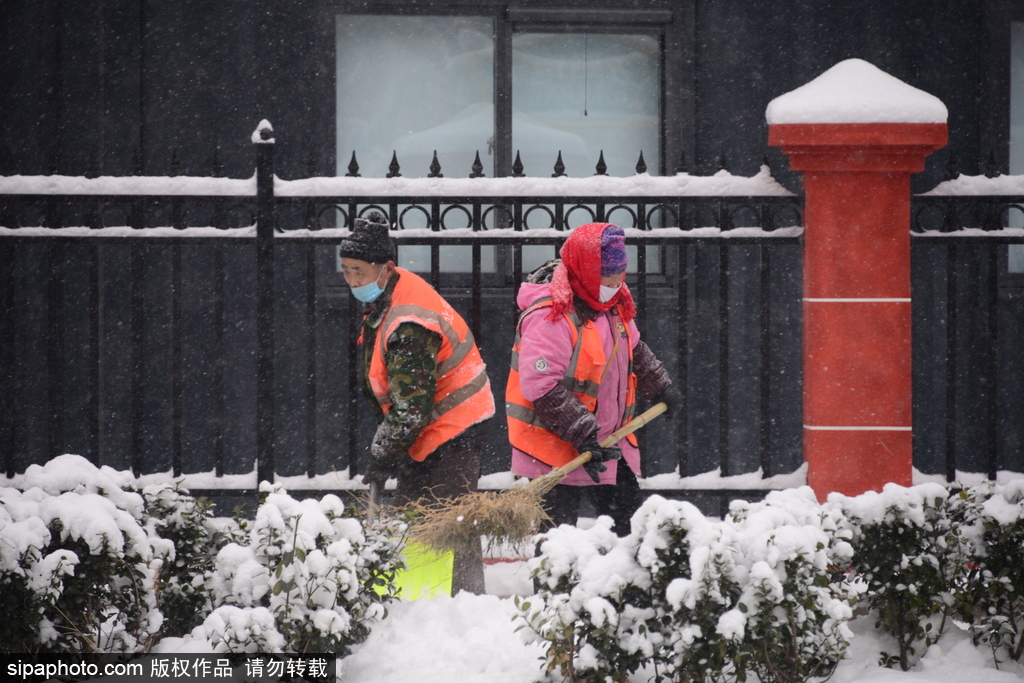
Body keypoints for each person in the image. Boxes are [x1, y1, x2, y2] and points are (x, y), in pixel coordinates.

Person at [339, 211, 496, 595]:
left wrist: (380, 458)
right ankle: (422, 600)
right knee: (418, 515)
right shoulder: (390, 295)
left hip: (454, 423)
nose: (352, 281)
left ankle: (462, 604)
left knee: (446, 520)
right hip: (429, 424)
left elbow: (411, 408)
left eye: (359, 271)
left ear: (386, 268)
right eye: (346, 271)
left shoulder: (408, 322)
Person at [506, 222, 682, 536]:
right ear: (586, 270)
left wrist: (659, 384)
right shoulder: (552, 315)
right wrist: (583, 430)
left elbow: (632, 346)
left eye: (621, 271)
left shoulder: (612, 304)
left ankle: (622, 585)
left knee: (630, 531)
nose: (617, 280)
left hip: (607, 442)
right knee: (557, 543)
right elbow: (540, 384)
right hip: (555, 452)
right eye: (608, 272)